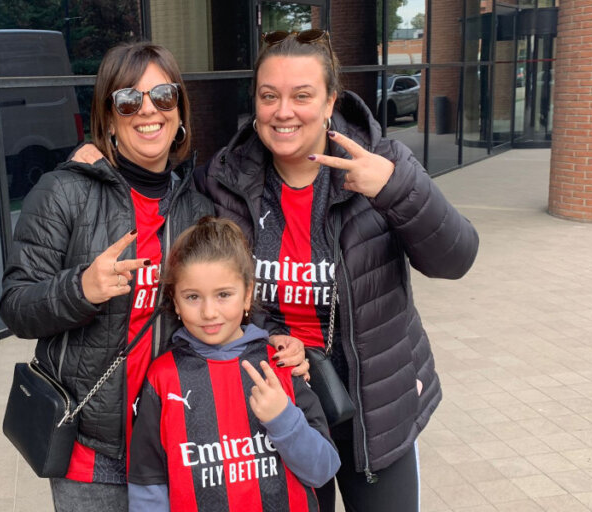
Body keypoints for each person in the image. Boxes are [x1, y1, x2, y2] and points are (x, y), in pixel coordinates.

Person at [195, 30, 480, 512]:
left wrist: (394, 188)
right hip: (281, 408)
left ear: (330, 101)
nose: (283, 111)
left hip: (376, 409)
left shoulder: (381, 161)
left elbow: (456, 259)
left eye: (302, 95)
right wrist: (105, 157)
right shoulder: (226, 178)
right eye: (269, 96)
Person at [0, 42, 214, 511]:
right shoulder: (63, 193)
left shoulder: (197, 210)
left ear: (179, 112)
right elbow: (15, 306)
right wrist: (80, 289)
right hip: (90, 451)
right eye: (128, 100)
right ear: (109, 118)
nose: (148, 111)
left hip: (173, 440)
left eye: (163, 96)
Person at [127, 217, 339, 511]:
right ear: (175, 301)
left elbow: (323, 470)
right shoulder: (162, 377)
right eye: (192, 297)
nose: (209, 312)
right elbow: (147, 484)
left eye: (224, 295)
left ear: (247, 294)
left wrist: (283, 418)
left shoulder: (280, 364)